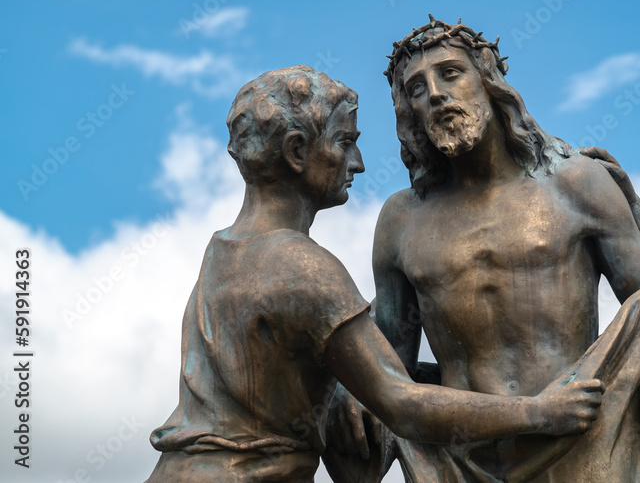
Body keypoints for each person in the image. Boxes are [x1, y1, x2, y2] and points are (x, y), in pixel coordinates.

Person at [145, 66, 605, 483]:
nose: (359, 162)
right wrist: (539, 412)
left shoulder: (222, 252)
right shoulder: (302, 267)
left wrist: (348, 385)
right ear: (297, 150)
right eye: (345, 141)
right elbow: (402, 404)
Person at [350, 17, 640, 482]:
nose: (436, 94)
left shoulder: (577, 183)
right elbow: (387, 365)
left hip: (581, 440)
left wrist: (638, 217)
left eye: (450, 73)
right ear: (409, 113)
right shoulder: (400, 219)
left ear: (488, 82)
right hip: (459, 458)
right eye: (417, 89)